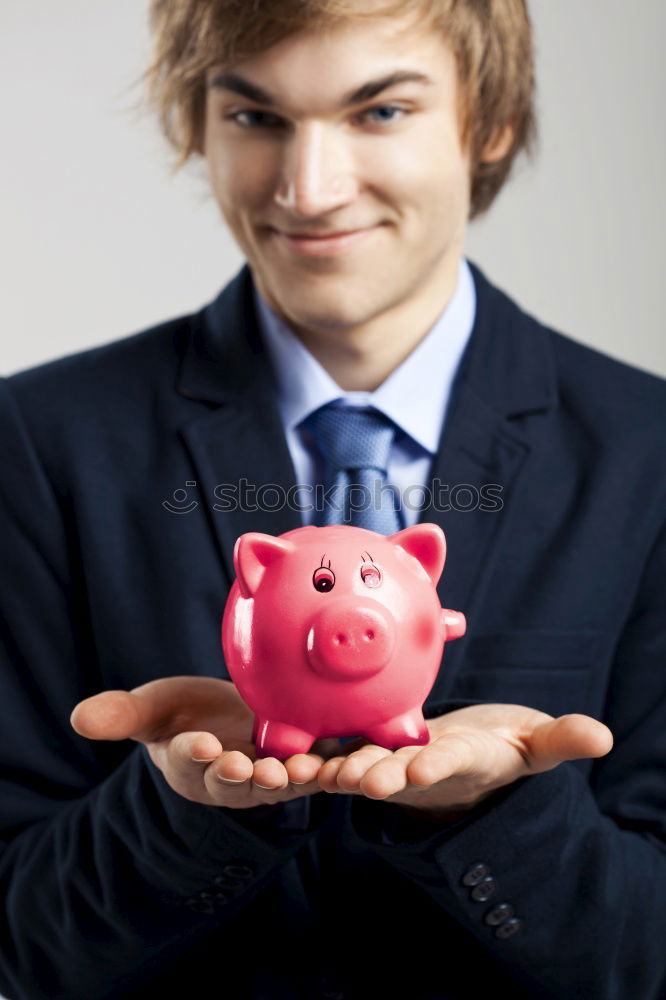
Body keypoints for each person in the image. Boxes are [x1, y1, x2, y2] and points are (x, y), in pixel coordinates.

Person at [0, 1, 664, 998]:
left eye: (379, 112)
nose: (308, 190)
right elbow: (17, 934)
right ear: (199, 125)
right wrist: (187, 809)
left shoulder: (647, 452)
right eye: (256, 117)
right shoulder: (40, 440)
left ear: (489, 122)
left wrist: (486, 809)